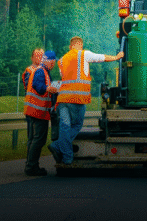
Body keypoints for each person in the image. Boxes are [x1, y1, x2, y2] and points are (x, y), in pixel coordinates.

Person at [48, 36, 124, 165]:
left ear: (70, 46)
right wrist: (116, 57)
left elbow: (64, 78)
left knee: (65, 126)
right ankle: (64, 154)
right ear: (80, 45)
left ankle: (61, 150)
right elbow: (101, 57)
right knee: (77, 125)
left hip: (62, 99)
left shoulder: (61, 60)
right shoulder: (84, 54)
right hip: (76, 98)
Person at [22, 50, 56, 176]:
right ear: (49, 61)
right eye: (52, 62)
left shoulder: (42, 71)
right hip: (37, 111)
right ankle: (31, 167)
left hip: (33, 110)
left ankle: (30, 165)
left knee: (32, 139)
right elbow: (38, 86)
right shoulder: (41, 71)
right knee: (38, 140)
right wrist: (48, 88)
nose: (53, 65)